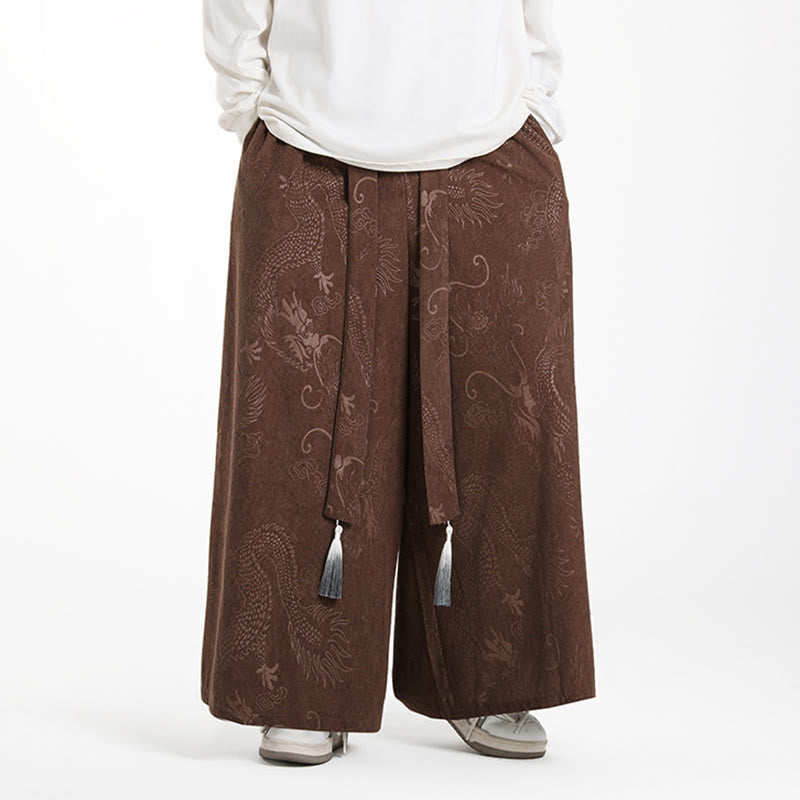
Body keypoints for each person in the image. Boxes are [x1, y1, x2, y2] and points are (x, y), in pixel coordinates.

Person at [200, 0, 595, 766]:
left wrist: (535, 96)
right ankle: (306, 686)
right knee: (300, 431)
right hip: (311, 142)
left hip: (489, 136)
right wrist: (250, 105)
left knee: (501, 431)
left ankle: (486, 676)